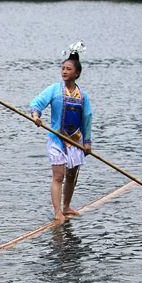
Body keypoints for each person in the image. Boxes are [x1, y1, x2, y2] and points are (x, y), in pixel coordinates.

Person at [30, 46, 92, 222]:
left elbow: (87, 118)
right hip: (57, 139)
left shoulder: (82, 96)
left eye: (68, 69)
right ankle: (58, 212)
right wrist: (36, 116)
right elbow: (37, 102)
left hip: (76, 140)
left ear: (77, 74)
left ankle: (66, 206)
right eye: (63, 68)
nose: (64, 72)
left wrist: (87, 143)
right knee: (59, 176)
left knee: (72, 176)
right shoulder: (54, 90)